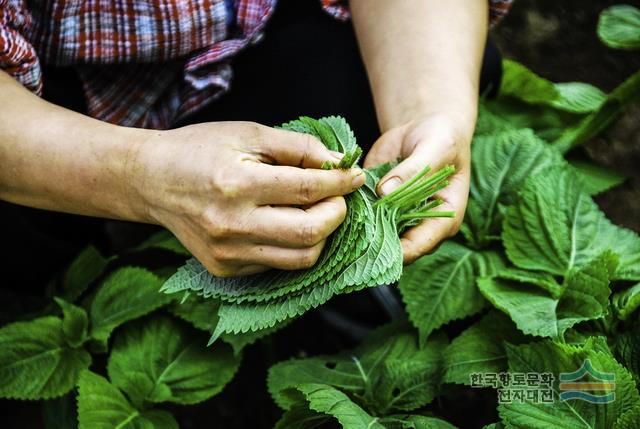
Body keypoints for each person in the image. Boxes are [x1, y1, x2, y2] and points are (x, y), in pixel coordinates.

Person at [0, 0, 511, 280]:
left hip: (258, 31)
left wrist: (427, 107)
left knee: (440, 81)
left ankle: (336, 289)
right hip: (42, 102)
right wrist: (136, 175)